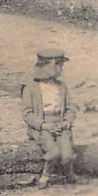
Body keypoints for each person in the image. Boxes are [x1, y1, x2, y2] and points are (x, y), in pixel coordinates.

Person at [21, 50, 80, 188]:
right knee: (53, 152)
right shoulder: (31, 87)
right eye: (59, 66)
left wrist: (66, 122)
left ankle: (70, 175)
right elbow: (27, 113)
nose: (61, 70)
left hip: (60, 124)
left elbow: (71, 107)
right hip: (43, 127)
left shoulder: (61, 86)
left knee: (67, 155)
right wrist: (43, 125)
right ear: (48, 67)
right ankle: (45, 175)